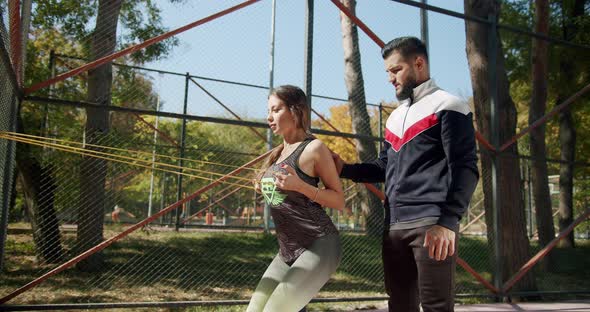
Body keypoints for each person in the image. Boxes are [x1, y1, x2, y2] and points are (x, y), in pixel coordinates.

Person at [332, 37, 479, 312]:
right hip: (394, 227)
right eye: (387, 72)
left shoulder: (449, 105)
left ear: (419, 63)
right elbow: (384, 167)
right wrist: (344, 169)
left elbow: (465, 168)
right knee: (399, 306)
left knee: (436, 306)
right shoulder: (395, 117)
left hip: (431, 226)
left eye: (396, 70)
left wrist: (447, 222)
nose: (390, 78)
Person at [247, 85, 345, 312]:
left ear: (295, 111)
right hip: (288, 250)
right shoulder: (278, 153)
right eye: (269, 111)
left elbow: (339, 200)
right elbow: (282, 197)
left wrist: (300, 186)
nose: (269, 117)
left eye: (276, 109)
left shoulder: (314, 148)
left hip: (320, 244)